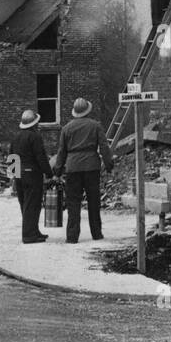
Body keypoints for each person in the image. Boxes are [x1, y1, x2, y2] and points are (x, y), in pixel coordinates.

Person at [53, 97, 114, 243]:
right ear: (88, 110)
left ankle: (72, 236)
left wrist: (57, 171)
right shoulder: (95, 125)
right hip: (91, 166)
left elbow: (61, 152)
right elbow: (104, 147)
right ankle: (96, 233)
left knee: (73, 202)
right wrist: (109, 164)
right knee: (94, 201)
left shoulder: (66, 128)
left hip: (72, 167)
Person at [9, 109, 51, 243]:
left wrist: (13, 177)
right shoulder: (35, 137)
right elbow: (41, 157)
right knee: (33, 205)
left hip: (19, 175)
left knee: (25, 204)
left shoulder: (16, 137)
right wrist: (49, 173)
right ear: (34, 124)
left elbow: (12, 157)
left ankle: (34, 231)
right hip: (32, 175)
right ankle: (29, 235)